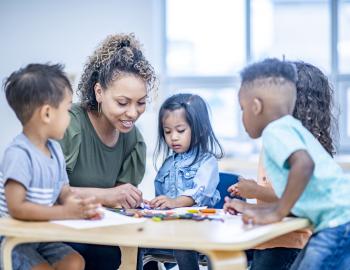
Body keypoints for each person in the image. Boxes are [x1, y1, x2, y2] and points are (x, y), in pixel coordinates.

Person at [224, 58, 350, 270]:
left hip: (336, 226)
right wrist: (253, 208)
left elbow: (304, 165)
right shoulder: (291, 129)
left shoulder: (276, 130)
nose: (242, 118)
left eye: (242, 109)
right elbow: (301, 197)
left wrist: (276, 213)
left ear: (256, 107)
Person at [58, 33, 157, 270]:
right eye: (123, 103)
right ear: (99, 92)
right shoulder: (69, 125)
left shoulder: (132, 139)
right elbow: (45, 192)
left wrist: (131, 201)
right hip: (54, 234)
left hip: (95, 236)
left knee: (108, 254)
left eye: (141, 102)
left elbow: (118, 201)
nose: (133, 113)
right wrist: (107, 195)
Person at [1, 63, 102, 270]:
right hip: (12, 239)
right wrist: (66, 212)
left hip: (41, 235)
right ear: (47, 114)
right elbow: (17, 208)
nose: (70, 117)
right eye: (67, 109)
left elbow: (62, 189)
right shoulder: (19, 154)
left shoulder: (55, 150)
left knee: (75, 262)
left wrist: (76, 204)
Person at [139, 93, 224, 270]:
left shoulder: (207, 161)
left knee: (182, 242)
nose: (173, 137)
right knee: (139, 238)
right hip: (171, 225)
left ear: (199, 129)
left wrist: (175, 202)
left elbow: (199, 193)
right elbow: (161, 195)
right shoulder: (168, 163)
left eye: (180, 130)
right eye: (167, 131)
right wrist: (154, 204)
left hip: (199, 227)